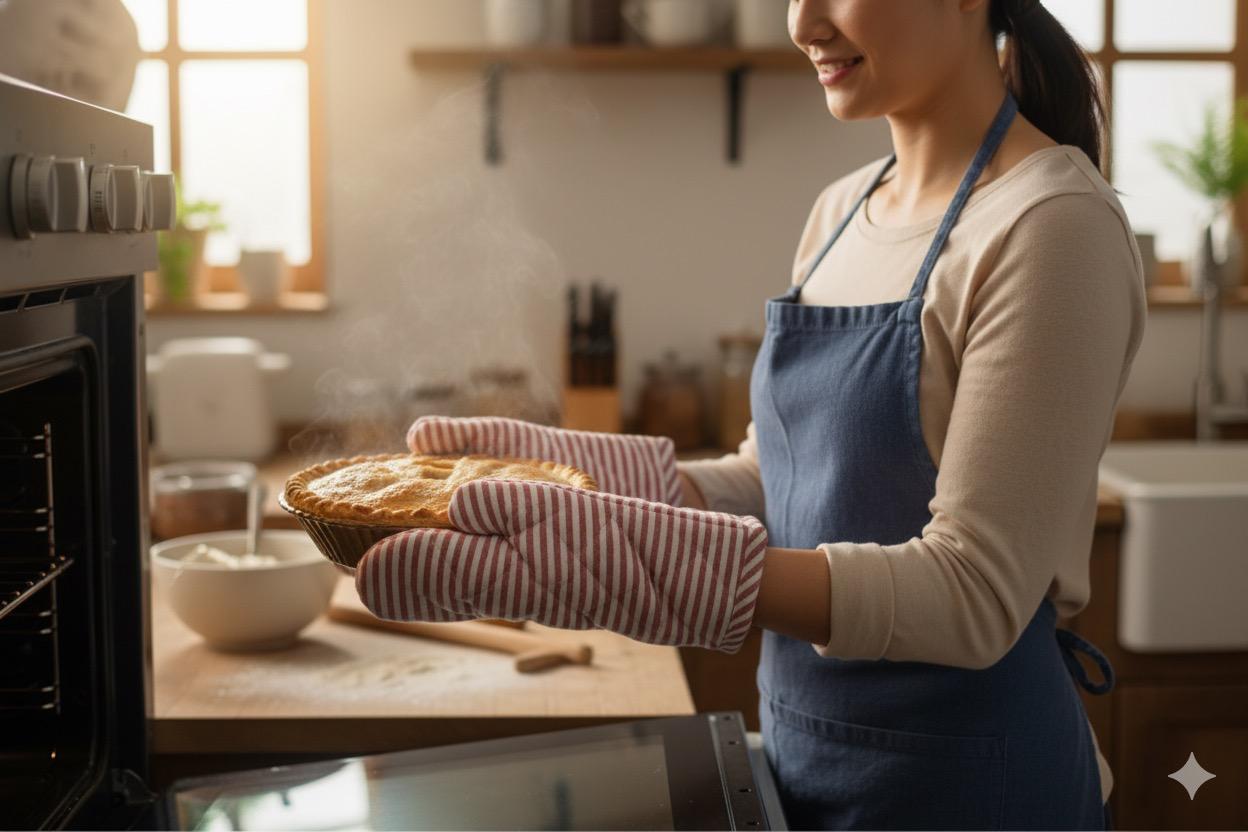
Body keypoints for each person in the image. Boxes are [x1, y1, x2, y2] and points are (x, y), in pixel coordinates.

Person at [355, 0, 1146, 827]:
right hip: (806, 769)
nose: (803, 23)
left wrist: (665, 571)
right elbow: (778, 479)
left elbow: (974, 593)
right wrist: (588, 479)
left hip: (969, 791)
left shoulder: (1051, 226)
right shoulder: (841, 210)